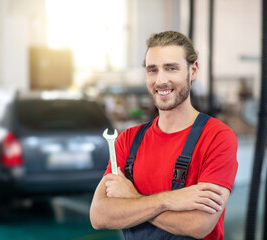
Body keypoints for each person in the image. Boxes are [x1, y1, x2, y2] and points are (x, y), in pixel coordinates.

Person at [90, 31, 238, 240]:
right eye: (153, 70)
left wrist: (132, 198)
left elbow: (199, 224)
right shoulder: (127, 141)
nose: (160, 80)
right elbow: (99, 215)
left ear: (193, 70)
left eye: (171, 68)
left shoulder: (217, 137)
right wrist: (168, 201)